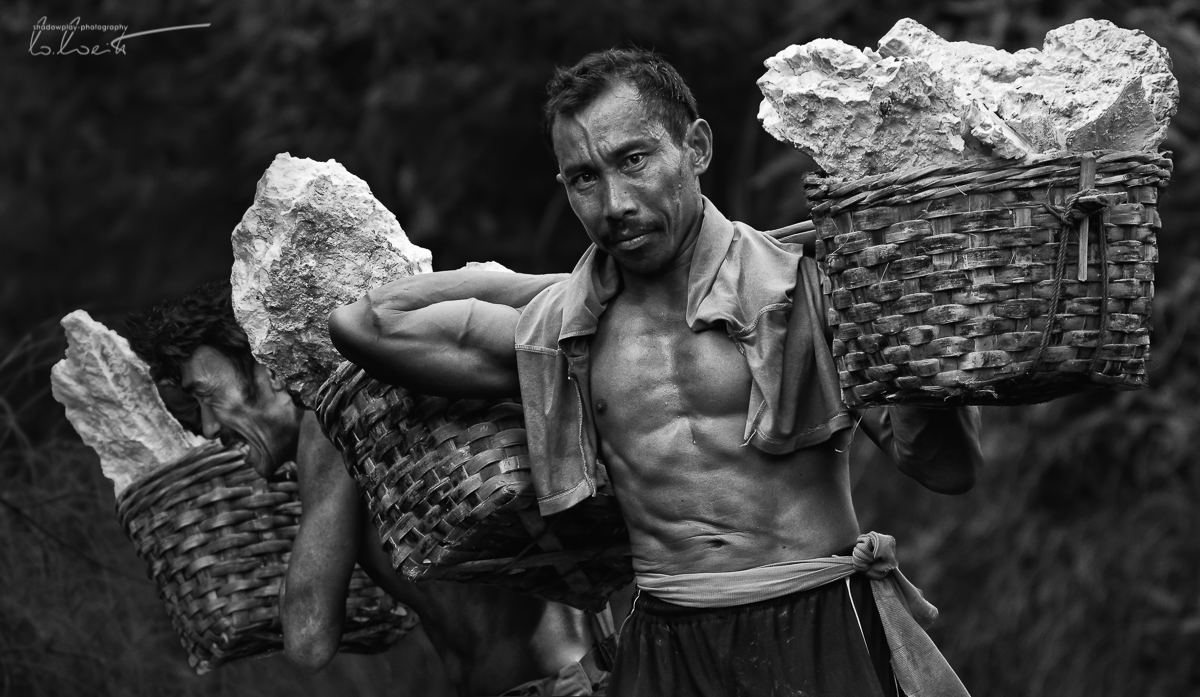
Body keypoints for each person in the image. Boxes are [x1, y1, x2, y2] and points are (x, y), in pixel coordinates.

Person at [329, 48, 986, 697]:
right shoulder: (567, 332)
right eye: (584, 178)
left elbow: (948, 470)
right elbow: (364, 324)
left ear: (695, 148)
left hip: (815, 622)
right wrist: (522, 288)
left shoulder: (805, 290)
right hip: (668, 646)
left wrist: (915, 360)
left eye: (633, 159)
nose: (613, 203)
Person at [126, 281, 614, 697]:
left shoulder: (328, 428)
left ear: (266, 365)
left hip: (552, 682)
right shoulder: (368, 429)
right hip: (568, 669)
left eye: (206, 396)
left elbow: (309, 639)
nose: (209, 427)